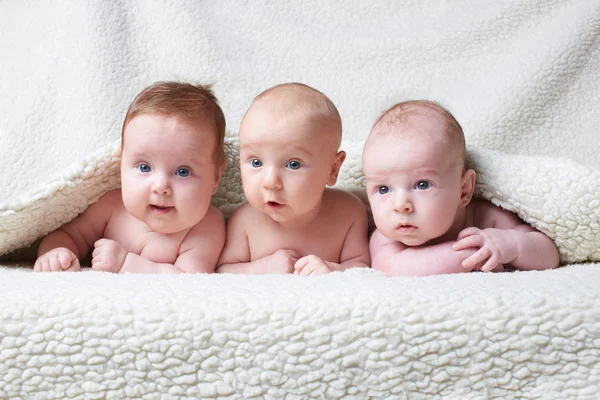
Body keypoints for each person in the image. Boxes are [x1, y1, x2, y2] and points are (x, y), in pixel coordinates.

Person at [34, 81, 227, 273]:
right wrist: (56, 254)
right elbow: (66, 234)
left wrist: (126, 263)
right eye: (144, 167)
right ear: (121, 165)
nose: (160, 187)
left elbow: (191, 280)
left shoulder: (207, 225)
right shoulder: (112, 207)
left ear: (215, 179)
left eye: (183, 171)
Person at [363, 100, 560, 276]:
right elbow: (394, 268)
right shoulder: (385, 238)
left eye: (422, 184)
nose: (400, 205)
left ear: (464, 190)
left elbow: (549, 255)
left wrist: (511, 245)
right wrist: (472, 254)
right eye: (383, 189)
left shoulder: (485, 218)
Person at [217, 83, 370, 275]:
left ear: (333, 169)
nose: (270, 181)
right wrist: (262, 268)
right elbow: (223, 271)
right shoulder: (244, 222)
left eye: (293, 164)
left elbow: (362, 268)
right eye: (256, 162)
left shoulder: (348, 213)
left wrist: (333, 269)